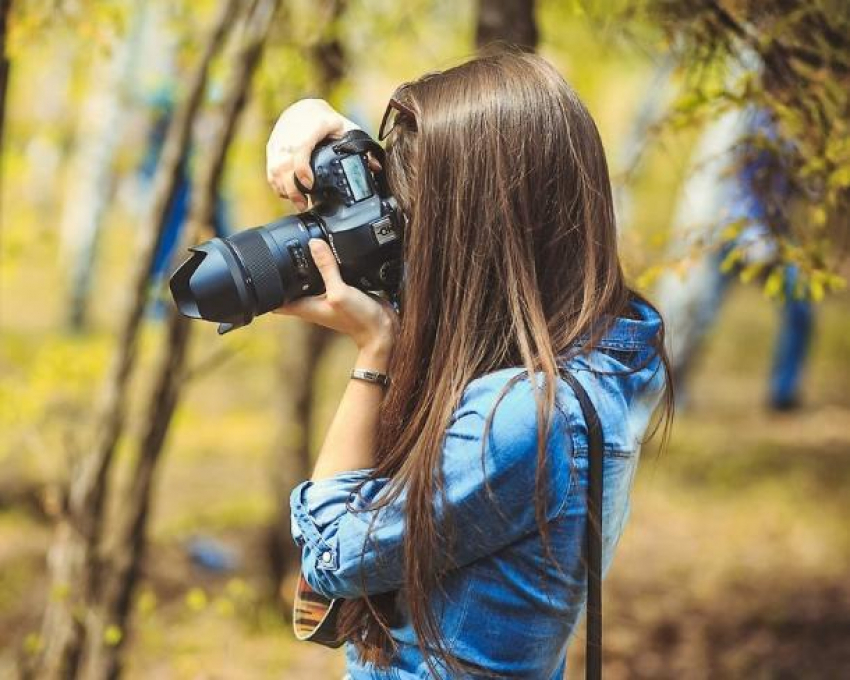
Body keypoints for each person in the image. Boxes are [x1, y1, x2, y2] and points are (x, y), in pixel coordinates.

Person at [266, 51, 672, 679]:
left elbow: (331, 556)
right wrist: (319, 126)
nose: (405, 237)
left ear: (473, 231)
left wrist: (375, 353)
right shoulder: (591, 357)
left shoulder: (522, 419)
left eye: (414, 217)